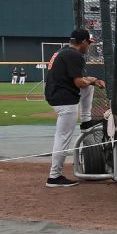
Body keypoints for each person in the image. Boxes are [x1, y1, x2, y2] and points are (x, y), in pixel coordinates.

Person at [44, 28, 105, 188]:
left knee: (89, 86)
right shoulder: (74, 55)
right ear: (83, 42)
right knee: (63, 138)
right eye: (89, 43)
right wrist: (92, 80)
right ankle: (54, 177)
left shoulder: (63, 52)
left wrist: (91, 81)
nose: (89, 46)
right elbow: (78, 82)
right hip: (64, 100)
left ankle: (86, 121)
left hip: (56, 94)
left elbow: (81, 83)